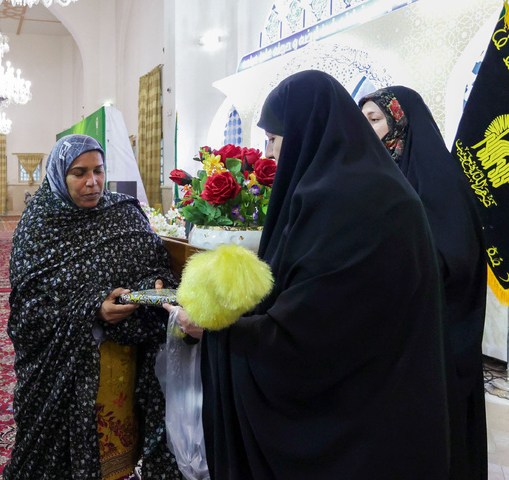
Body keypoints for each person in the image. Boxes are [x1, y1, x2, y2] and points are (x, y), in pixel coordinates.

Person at [172, 71, 449, 479]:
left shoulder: (355, 204)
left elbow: (311, 336)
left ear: (305, 131)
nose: (268, 154)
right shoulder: (351, 188)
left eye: (274, 139)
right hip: (379, 406)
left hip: (363, 426)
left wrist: (218, 330)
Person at [5, 134, 181, 480]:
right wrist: (93, 309)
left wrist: (157, 284)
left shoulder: (122, 213)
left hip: (125, 361)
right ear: (59, 175)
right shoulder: (39, 224)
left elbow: (153, 262)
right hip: (66, 368)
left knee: (119, 448)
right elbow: (27, 311)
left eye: (99, 171)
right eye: (79, 173)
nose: (92, 182)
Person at [359, 86, 487, 480]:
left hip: (437, 345)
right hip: (394, 342)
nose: (366, 131)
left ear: (401, 121)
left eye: (374, 120)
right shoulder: (378, 178)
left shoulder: (437, 180)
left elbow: (457, 261)